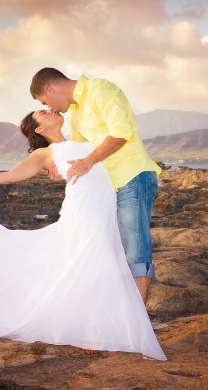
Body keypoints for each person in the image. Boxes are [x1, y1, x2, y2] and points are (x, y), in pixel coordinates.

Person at [0, 110, 166, 361]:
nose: (51, 110)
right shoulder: (44, 154)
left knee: (98, 261)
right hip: (84, 208)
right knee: (95, 261)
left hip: (102, 205)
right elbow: (10, 175)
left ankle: (100, 325)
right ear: (39, 129)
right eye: (43, 112)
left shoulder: (80, 138)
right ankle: (91, 330)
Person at [30, 68, 160, 305]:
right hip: (110, 187)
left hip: (132, 177)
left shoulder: (100, 89)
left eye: (44, 101)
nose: (50, 108)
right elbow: (79, 150)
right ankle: (121, 319)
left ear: (49, 89)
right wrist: (56, 164)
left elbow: (122, 132)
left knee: (135, 252)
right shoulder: (76, 112)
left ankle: (136, 324)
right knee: (114, 252)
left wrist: (88, 161)